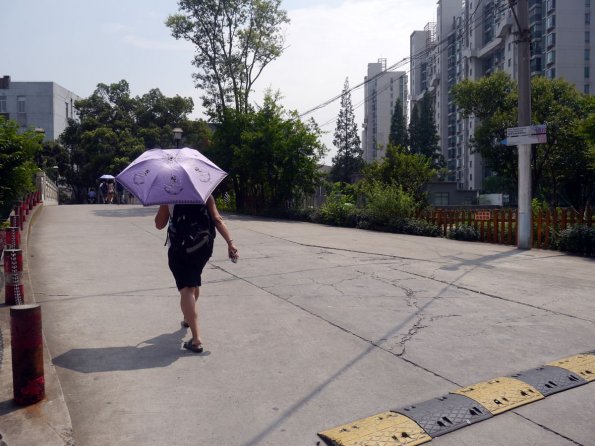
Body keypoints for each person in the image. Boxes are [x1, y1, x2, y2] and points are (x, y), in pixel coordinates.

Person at [154, 195, 238, 353]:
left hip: (180, 249)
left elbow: (159, 224)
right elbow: (217, 219)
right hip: (202, 247)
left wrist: (164, 202)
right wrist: (230, 242)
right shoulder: (205, 193)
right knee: (193, 280)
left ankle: (196, 339)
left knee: (187, 289)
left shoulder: (170, 196)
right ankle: (188, 317)